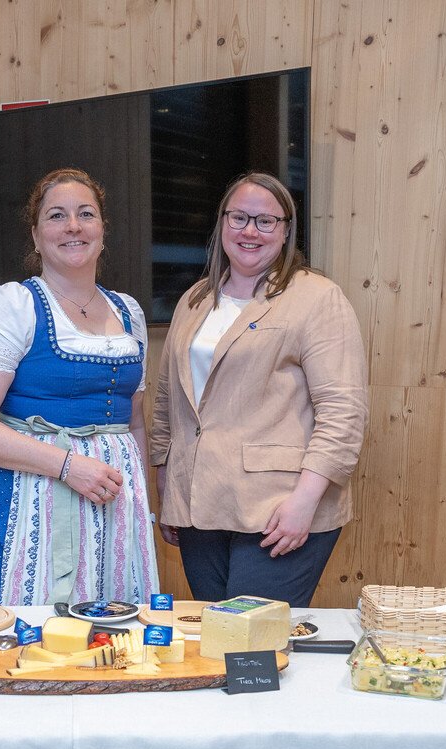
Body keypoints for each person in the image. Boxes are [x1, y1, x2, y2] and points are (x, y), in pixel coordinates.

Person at [0, 168, 159, 605]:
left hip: (111, 500)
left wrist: (140, 505)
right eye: (57, 216)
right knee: (22, 624)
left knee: (111, 626)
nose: (73, 226)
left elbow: (134, 422)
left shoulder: (128, 312)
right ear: (36, 237)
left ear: (102, 231)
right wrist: (68, 465)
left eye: (86, 214)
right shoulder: (12, 306)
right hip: (26, 495)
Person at [150, 172, 367, 606]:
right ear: (222, 223)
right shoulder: (195, 299)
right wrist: (168, 489)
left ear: (286, 231)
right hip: (198, 506)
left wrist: (304, 503)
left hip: (279, 509)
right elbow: (166, 402)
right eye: (239, 218)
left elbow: (343, 413)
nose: (250, 231)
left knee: (252, 638)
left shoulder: (317, 298)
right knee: (216, 634)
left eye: (266, 221)